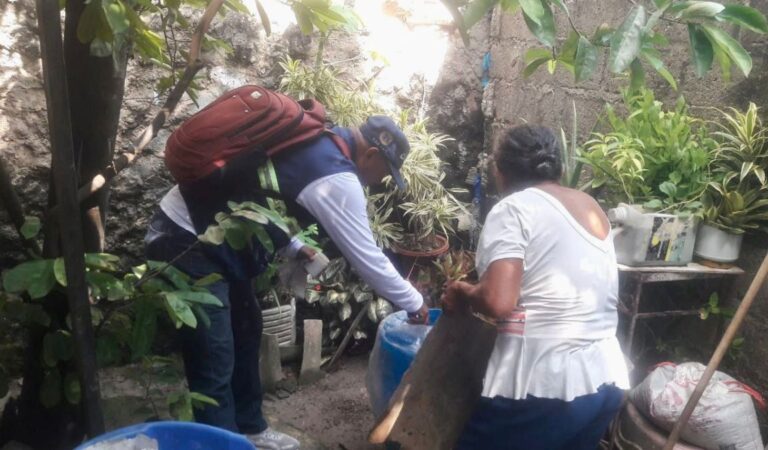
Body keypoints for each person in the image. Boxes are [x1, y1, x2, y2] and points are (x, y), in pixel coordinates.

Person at [145, 114, 429, 450]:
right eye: (384, 172)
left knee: (246, 329)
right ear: (371, 155)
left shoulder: (319, 142)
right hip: (185, 238)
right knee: (213, 357)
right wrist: (416, 302)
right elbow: (368, 258)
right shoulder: (337, 176)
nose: (379, 181)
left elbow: (260, 192)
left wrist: (294, 245)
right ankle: (220, 444)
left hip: (212, 236)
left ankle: (250, 430)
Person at [442, 125, 630, 450]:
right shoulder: (591, 207)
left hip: (543, 388)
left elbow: (499, 302)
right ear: (561, 169)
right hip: (605, 381)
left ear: (500, 174)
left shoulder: (514, 208)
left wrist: (462, 290)